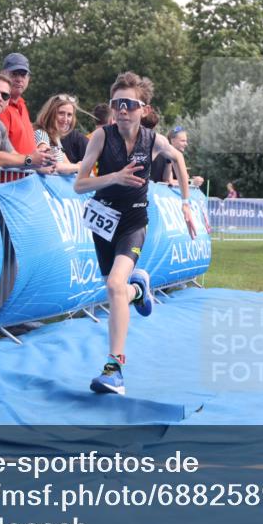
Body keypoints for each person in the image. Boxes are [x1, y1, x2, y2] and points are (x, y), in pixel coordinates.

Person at [74, 72, 196, 396]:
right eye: (117, 104)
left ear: (143, 108)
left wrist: (186, 205)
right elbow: (79, 184)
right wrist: (113, 176)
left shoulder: (151, 139)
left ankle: (114, 370)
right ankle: (138, 291)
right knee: (116, 292)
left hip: (133, 223)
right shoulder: (101, 137)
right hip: (103, 221)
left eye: (129, 104)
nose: (122, 110)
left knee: (115, 284)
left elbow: (179, 159)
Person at [33, 94, 85, 174]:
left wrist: (75, 167)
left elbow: (67, 165)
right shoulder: (41, 134)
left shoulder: (56, 139)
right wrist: (79, 166)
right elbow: (55, 165)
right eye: (61, 113)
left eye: (69, 115)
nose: (65, 119)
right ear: (50, 113)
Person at [0, 52, 37, 156]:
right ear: (2, 74)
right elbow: (0, 148)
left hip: (28, 171)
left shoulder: (22, 104)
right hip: (10, 171)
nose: (19, 79)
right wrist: (30, 162)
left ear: (28, 79)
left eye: (23, 75)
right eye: (14, 74)